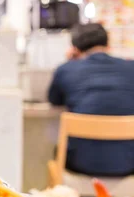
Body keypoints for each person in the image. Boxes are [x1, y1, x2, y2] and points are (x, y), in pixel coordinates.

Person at [48, 23, 134, 179]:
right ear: (107, 44)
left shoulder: (66, 69)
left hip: (80, 163)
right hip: (128, 163)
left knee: (63, 150)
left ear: (75, 48)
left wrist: (70, 62)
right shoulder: (131, 67)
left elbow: (54, 100)